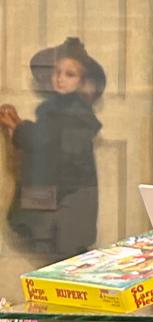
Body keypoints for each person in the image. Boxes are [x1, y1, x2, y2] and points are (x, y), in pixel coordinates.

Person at [0, 36, 107, 259]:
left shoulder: (78, 113)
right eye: (57, 72)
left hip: (72, 193)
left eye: (69, 74)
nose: (60, 79)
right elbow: (45, 142)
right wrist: (20, 128)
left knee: (67, 248)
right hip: (55, 189)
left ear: (82, 80)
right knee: (49, 248)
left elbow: (48, 142)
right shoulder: (50, 110)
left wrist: (20, 128)